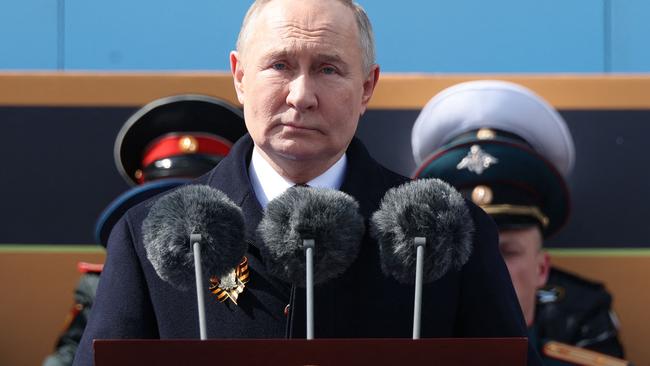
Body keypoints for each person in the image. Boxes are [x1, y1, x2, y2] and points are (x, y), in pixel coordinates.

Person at [73, 2, 540, 365]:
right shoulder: (145, 233)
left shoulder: (448, 231)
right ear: (239, 76)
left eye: (328, 69)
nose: (301, 96)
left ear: (367, 88)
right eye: (279, 65)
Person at [411, 80, 626, 365]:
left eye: (507, 252)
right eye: (467, 252)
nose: (486, 270)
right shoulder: (407, 324)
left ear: (542, 269)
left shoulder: (580, 322)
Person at [43, 95, 246, 366]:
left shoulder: (263, 269)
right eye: (167, 211)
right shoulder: (101, 283)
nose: (185, 226)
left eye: (198, 210)